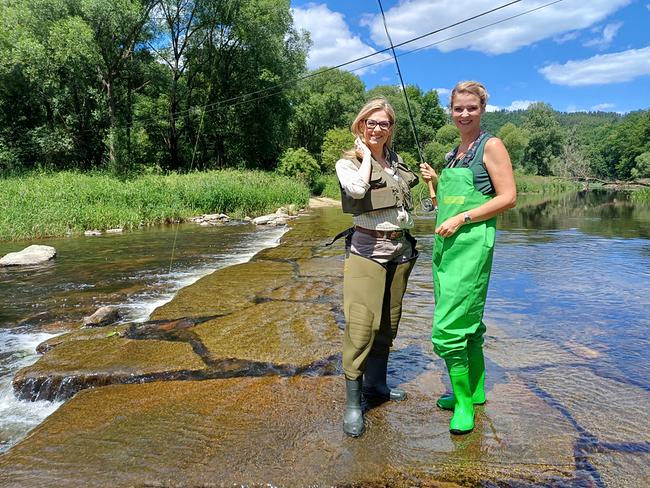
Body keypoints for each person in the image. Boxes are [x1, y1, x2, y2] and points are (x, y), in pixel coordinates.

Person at [420, 81, 516, 435]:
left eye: (471, 108)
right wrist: (432, 183)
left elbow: (508, 198)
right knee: (470, 325)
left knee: (446, 330)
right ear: (451, 110)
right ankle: (475, 393)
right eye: (458, 108)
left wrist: (462, 219)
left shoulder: (490, 146)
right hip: (447, 250)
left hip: (472, 247)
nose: (464, 114)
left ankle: (462, 405)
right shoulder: (456, 151)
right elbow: (447, 201)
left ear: (482, 109)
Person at [334, 98, 419, 437]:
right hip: (366, 249)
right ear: (361, 125)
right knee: (361, 327)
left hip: (400, 249)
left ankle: (378, 387)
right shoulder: (348, 162)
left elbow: (407, 195)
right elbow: (356, 189)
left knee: (388, 323)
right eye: (371, 122)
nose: (377, 128)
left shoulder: (397, 162)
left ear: (391, 128)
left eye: (384, 123)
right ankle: (354, 404)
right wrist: (368, 155)